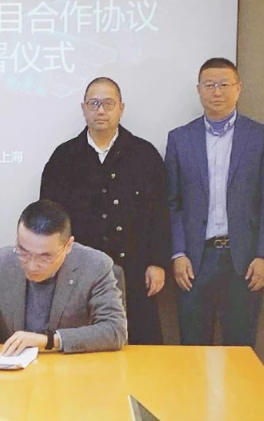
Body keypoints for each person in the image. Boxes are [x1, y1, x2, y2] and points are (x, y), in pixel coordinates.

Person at [41, 76, 169, 345]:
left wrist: (157, 262)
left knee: (139, 346)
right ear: (83, 108)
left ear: (121, 108)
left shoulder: (144, 155)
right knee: (81, 345)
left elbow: (160, 215)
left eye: (108, 104)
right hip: (77, 273)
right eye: (94, 103)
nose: (101, 110)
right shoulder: (64, 157)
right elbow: (49, 220)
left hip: (135, 270)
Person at [165, 57, 264, 346]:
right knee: (193, 346)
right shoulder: (180, 138)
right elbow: (172, 202)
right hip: (194, 260)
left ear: (238, 88)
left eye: (224, 85)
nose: (217, 92)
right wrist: (178, 253)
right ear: (199, 90)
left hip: (243, 260)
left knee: (240, 348)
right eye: (209, 85)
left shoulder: (260, 136)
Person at [0, 200, 127, 356]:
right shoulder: (0, 263)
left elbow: (115, 329)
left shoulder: (95, 265)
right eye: (23, 252)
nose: (31, 265)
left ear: (68, 246)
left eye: (45, 257)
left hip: (74, 371)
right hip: (15, 372)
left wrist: (49, 340)